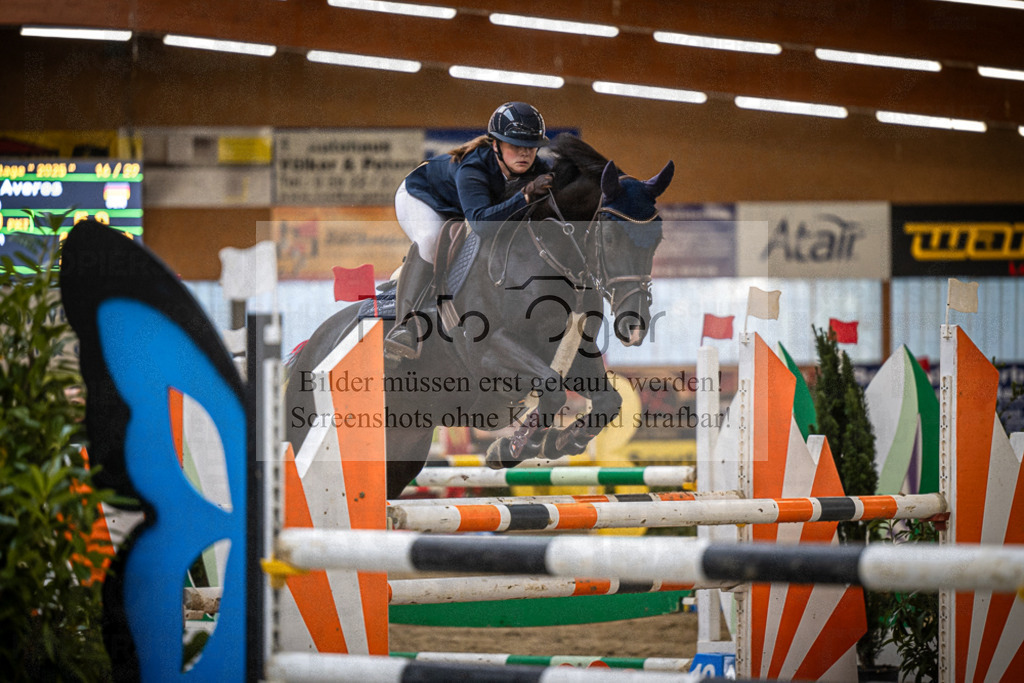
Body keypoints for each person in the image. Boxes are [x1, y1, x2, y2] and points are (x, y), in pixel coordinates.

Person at [384, 101, 555, 362]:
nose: (524, 153)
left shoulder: (538, 169)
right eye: (514, 146)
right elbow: (482, 225)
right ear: (496, 145)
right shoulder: (474, 167)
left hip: (464, 208)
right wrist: (525, 196)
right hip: (422, 195)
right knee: (431, 239)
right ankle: (403, 325)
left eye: (531, 147)